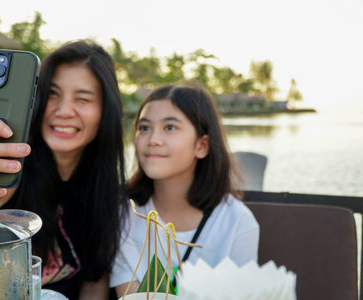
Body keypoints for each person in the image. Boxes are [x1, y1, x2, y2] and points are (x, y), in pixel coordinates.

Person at [0, 40, 127, 300]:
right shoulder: (9, 164)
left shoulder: (106, 190)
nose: (63, 111)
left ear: (105, 110)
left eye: (82, 98)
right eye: (53, 94)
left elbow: (94, 282)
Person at [110, 85, 259, 296]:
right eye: (144, 128)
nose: (153, 140)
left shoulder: (238, 223)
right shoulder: (125, 215)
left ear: (202, 146)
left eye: (169, 127)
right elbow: (131, 296)